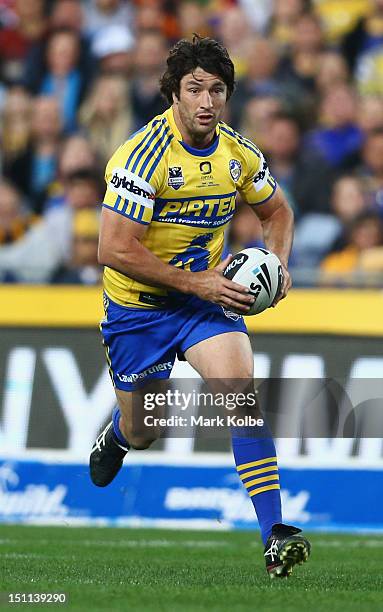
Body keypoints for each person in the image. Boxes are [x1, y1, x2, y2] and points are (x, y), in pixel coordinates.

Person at [89, 35, 310, 578]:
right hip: (139, 308)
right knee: (146, 428)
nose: (207, 101)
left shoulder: (237, 154)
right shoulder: (143, 156)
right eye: (195, 89)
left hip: (206, 301)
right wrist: (198, 284)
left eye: (217, 90)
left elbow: (277, 213)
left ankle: (274, 534)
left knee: (240, 395)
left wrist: (278, 265)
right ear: (175, 94)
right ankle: (117, 436)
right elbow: (113, 248)